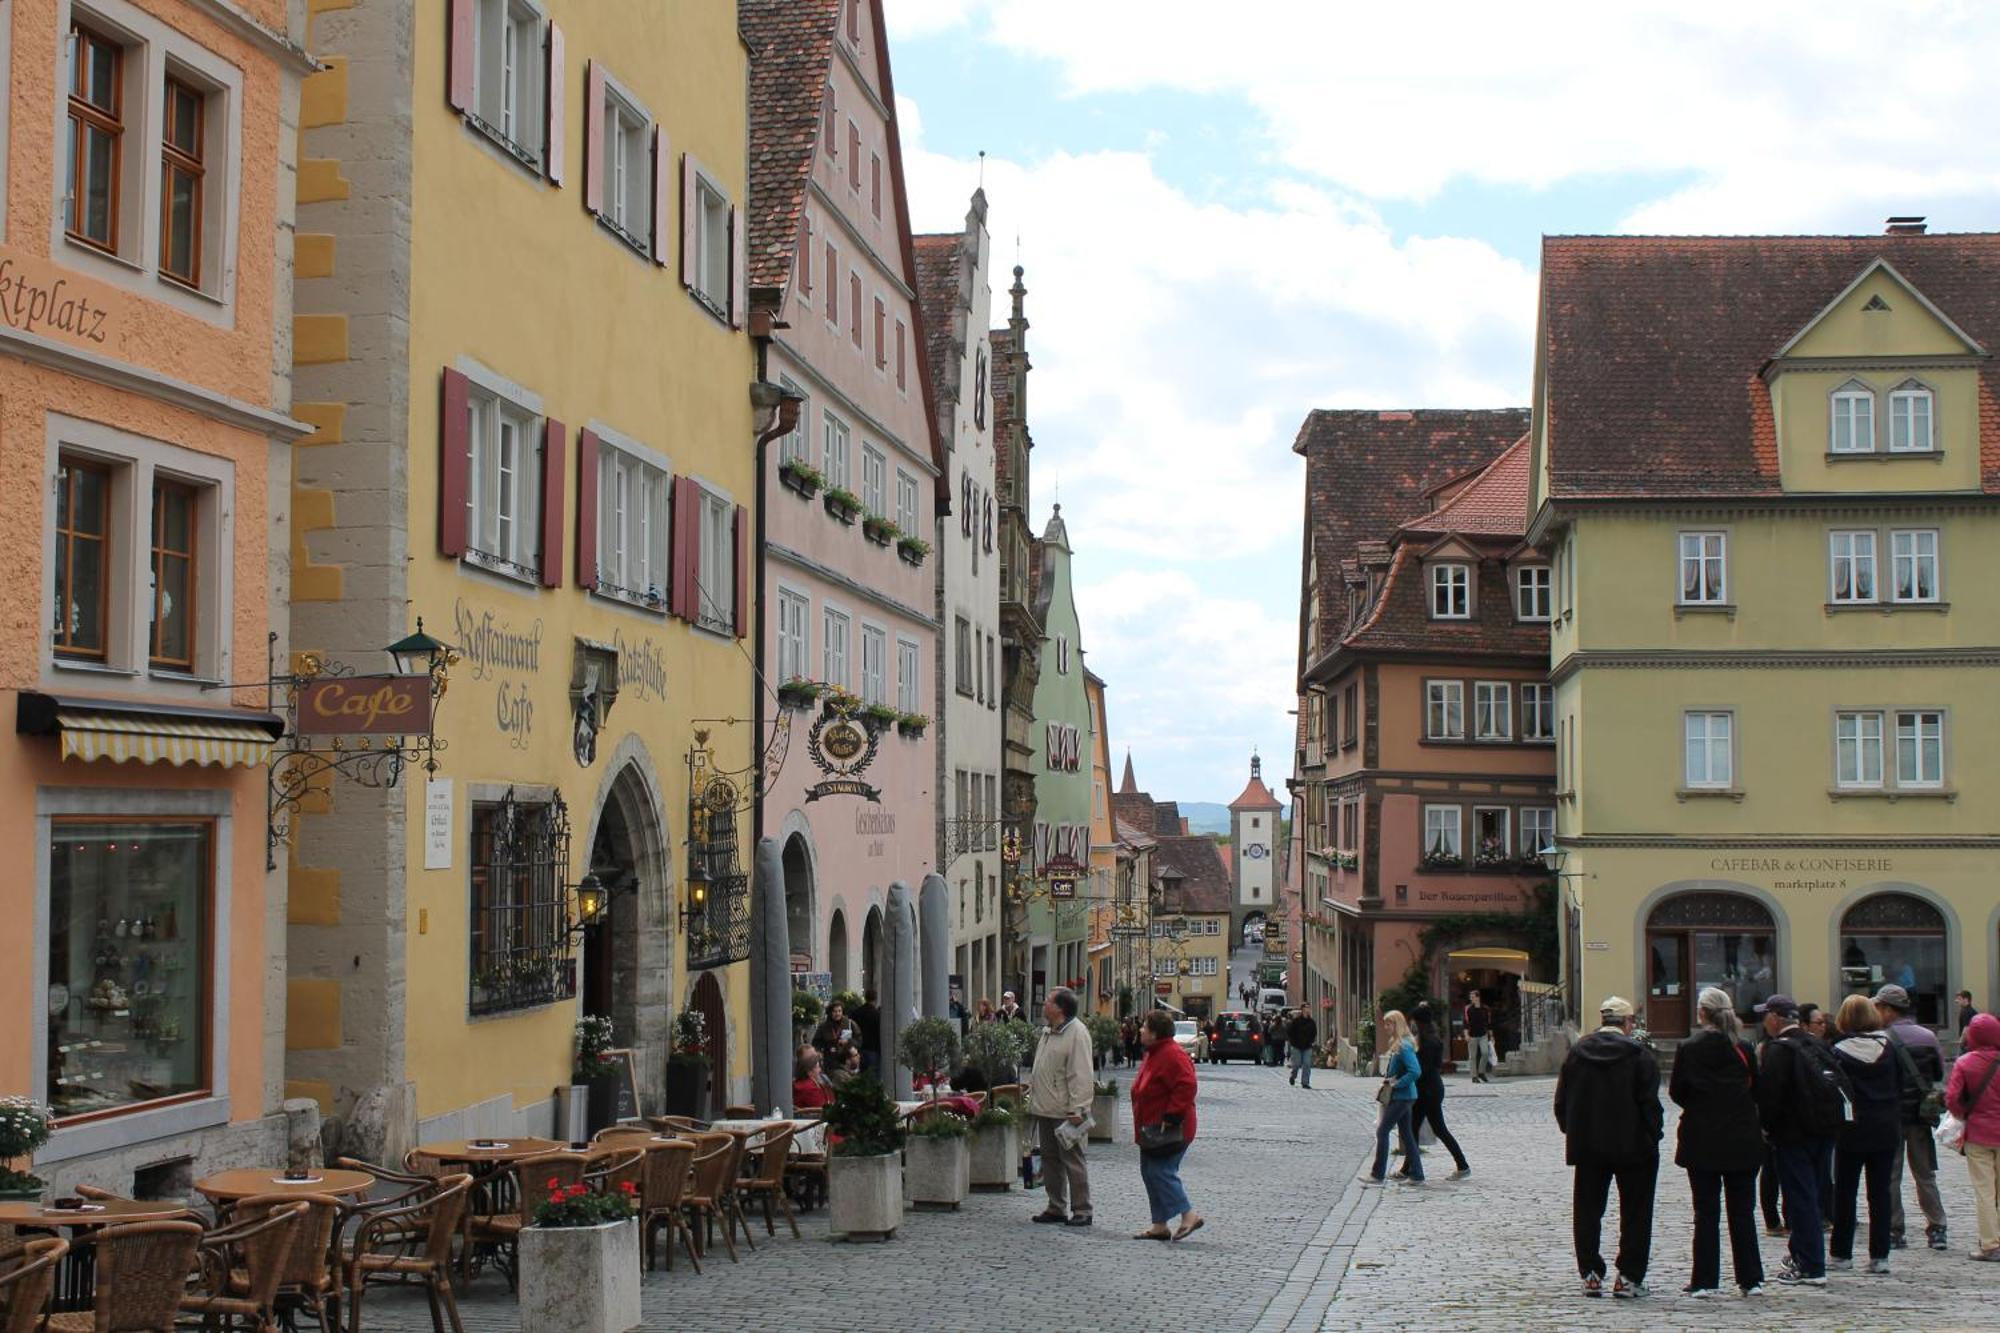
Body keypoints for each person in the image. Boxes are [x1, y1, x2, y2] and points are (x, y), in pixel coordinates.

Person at [1554, 996, 1662, 1299]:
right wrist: (1653, 1135)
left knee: (1588, 1210)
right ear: (1627, 1023)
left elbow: (1561, 1102)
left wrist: (1573, 1131)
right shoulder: (1639, 1055)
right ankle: (1628, 1276)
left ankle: (1589, 1272)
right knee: (1636, 1213)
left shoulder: (1577, 1054)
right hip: (1634, 1146)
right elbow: (1650, 1104)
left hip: (1589, 1145)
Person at [1669, 988, 1764, 1297]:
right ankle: (1750, 1278)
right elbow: (1756, 1088)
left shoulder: (1688, 1047)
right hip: (1741, 1137)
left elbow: (1677, 1091)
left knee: (1706, 1212)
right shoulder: (1744, 1048)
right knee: (1742, 1212)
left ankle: (1705, 1278)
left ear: (1701, 1013)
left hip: (1702, 1138)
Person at [1756, 994, 1837, 1287]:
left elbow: (1770, 1097)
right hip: (1824, 1131)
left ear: (1776, 1018)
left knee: (1800, 1198)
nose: (1763, 1020)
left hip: (1793, 1134)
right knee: (1814, 1193)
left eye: (1766, 1015)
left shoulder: (1779, 1050)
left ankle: (1812, 1265)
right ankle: (1802, 1254)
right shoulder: (1817, 1044)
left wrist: (1766, 1128)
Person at [1828, 993, 1902, 1275]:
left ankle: (1841, 1253)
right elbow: (1899, 1084)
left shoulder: (1838, 1051)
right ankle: (1880, 1255)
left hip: (1852, 1128)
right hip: (1885, 1125)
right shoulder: (1889, 1048)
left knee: (1845, 1192)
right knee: (1880, 1193)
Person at [1874, 983, 1947, 1251]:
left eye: (1879, 1007)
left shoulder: (1882, 1039)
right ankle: (1937, 1227)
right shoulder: (1928, 1036)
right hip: (1920, 1116)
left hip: (1891, 1115)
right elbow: (1938, 1073)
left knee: (1891, 1176)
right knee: (1925, 1174)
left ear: (1889, 1010)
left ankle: (1895, 1230)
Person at [1130, 1009, 1204, 1241]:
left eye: (1144, 1027)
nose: (1140, 1030)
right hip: (1151, 1128)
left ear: (1154, 1033)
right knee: (1150, 1172)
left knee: (1161, 1172)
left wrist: (1172, 1115)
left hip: (1171, 1128)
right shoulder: (1154, 1052)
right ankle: (1159, 1224)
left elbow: (1187, 1084)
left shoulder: (1172, 1054)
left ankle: (1188, 1214)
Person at [1027, 987, 1095, 1227]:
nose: (1044, 1004)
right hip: (1045, 1108)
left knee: (1073, 1160)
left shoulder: (1076, 1034)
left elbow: (1082, 1074)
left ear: (1059, 1008)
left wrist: (1078, 1108)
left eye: (1048, 1001)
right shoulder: (1048, 1031)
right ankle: (1056, 1206)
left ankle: (1082, 1209)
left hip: (1066, 1111)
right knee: (1050, 1160)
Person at [1948, 1011, 2000, 1260]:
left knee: (1984, 1191)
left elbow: (1952, 1099)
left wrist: (1962, 1115)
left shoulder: (1965, 1062)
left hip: (1978, 1133)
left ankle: (1990, 1244)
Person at [1403, 1004, 1470, 1180]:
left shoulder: (1426, 1042)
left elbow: (1422, 1069)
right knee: (1437, 1129)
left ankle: (1408, 1169)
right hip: (1433, 1088)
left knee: (1414, 1128)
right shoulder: (1433, 1039)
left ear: (1419, 1023)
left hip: (1427, 1091)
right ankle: (1462, 1165)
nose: (1412, 1026)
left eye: (1413, 1022)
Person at [1361, 1009, 1423, 1187]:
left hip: (1402, 1096)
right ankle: (1417, 1174)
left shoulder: (1403, 1046)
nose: (1386, 1027)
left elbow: (1415, 1071)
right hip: (1404, 1096)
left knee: (1382, 1131)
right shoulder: (1399, 1044)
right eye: (1385, 1023)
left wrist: (1397, 1084)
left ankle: (1377, 1173)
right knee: (1407, 1135)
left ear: (1397, 1025)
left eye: (1389, 1023)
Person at [1464, 989, 1496, 1084]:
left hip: (1483, 1035)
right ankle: (1474, 1076)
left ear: (1478, 997)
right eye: (1471, 997)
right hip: (1472, 1035)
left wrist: (1492, 1036)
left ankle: (1481, 1072)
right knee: (1472, 1057)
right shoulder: (1468, 1008)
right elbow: (1465, 1023)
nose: (1471, 999)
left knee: (1485, 1053)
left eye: (1473, 997)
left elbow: (1489, 1023)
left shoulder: (1486, 1009)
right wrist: (1466, 1035)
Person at [793, 1044, 834, 1112]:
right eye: (811, 1056)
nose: (820, 1070)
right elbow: (821, 1107)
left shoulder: (822, 1079)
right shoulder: (809, 1087)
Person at [852, 988, 883, 1075]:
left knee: (862, 1076)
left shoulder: (856, 1012)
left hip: (859, 1050)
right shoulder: (877, 1015)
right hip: (873, 1049)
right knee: (874, 1077)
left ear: (865, 998)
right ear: (875, 999)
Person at [1287, 1007, 1319, 1089]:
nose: (1307, 1011)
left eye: (1309, 1009)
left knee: (1307, 1064)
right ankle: (1293, 1076)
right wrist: (1293, 1042)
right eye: (1306, 1009)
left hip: (1307, 1046)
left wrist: (1311, 1041)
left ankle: (1305, 1082)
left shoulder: (1311, 1022)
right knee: (1296, 1064)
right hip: (1296, 1046)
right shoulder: (1296, 1021)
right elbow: (1290, 1032)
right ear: (1302, 1010)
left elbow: (1314, 1032)